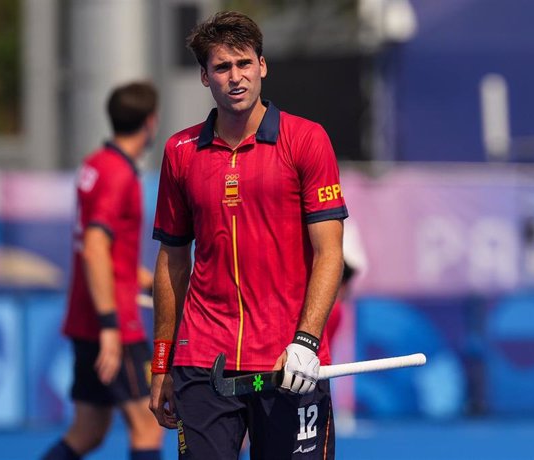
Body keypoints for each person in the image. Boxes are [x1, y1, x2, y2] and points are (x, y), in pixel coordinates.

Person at [148, 11, 348, 459]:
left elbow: (330, 253)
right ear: (205, 77)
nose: (235, 77)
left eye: (243, 64)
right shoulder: (179, 152)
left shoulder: (307, 140)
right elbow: (172, 262)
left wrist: (306, 342)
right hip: (202, 362)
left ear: (263, 65)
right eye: (222, 67)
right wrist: (163, 363)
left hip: (289, 362)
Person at [43, 82, 163, 460]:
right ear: (151, 122)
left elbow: (110, 255)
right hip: (114, 325)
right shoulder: (119, 174)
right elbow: (95, 248)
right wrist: (111, 325)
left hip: (85, 317)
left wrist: (154, 282)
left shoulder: (95, 163)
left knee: (89, 431)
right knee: (148, 425)